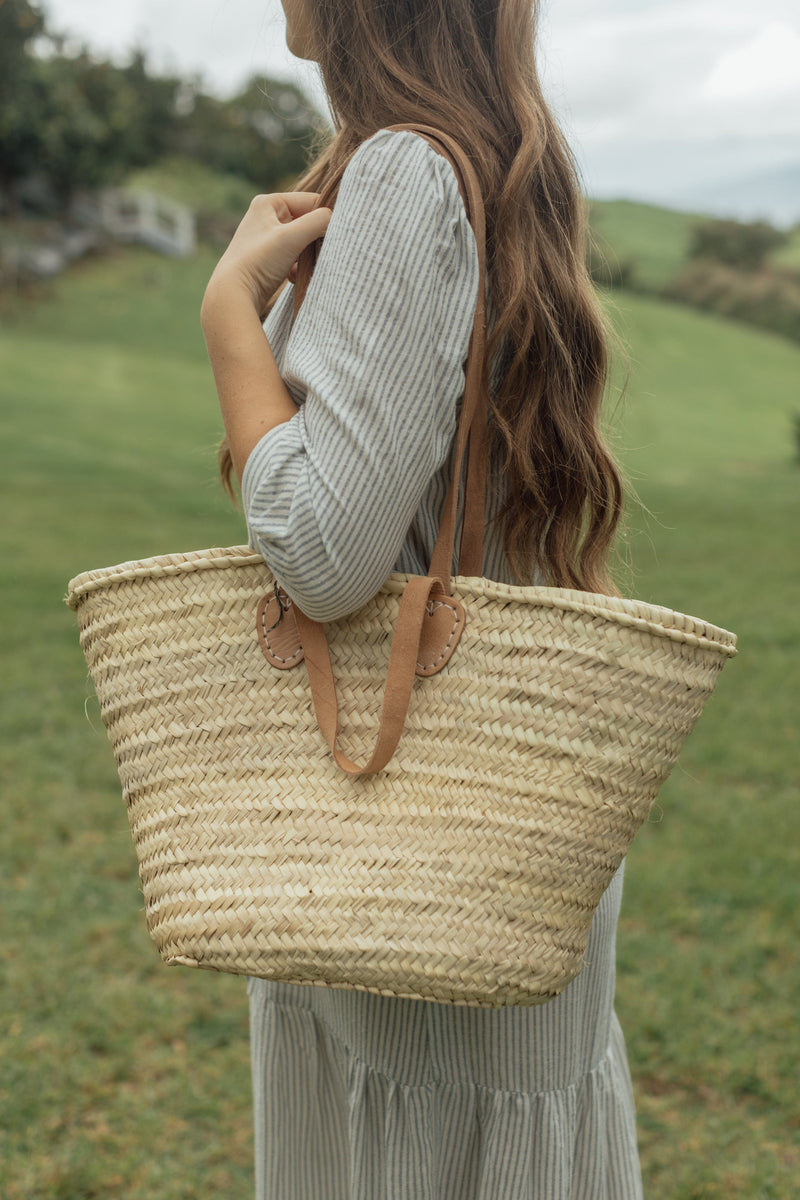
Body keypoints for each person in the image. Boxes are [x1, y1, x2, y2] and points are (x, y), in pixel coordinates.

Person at [200, 1, 643, 1196]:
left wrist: (229, 321)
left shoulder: (404, 170)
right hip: (482, 811)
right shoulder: (475, 155)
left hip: (400, 810)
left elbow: (324, 549)